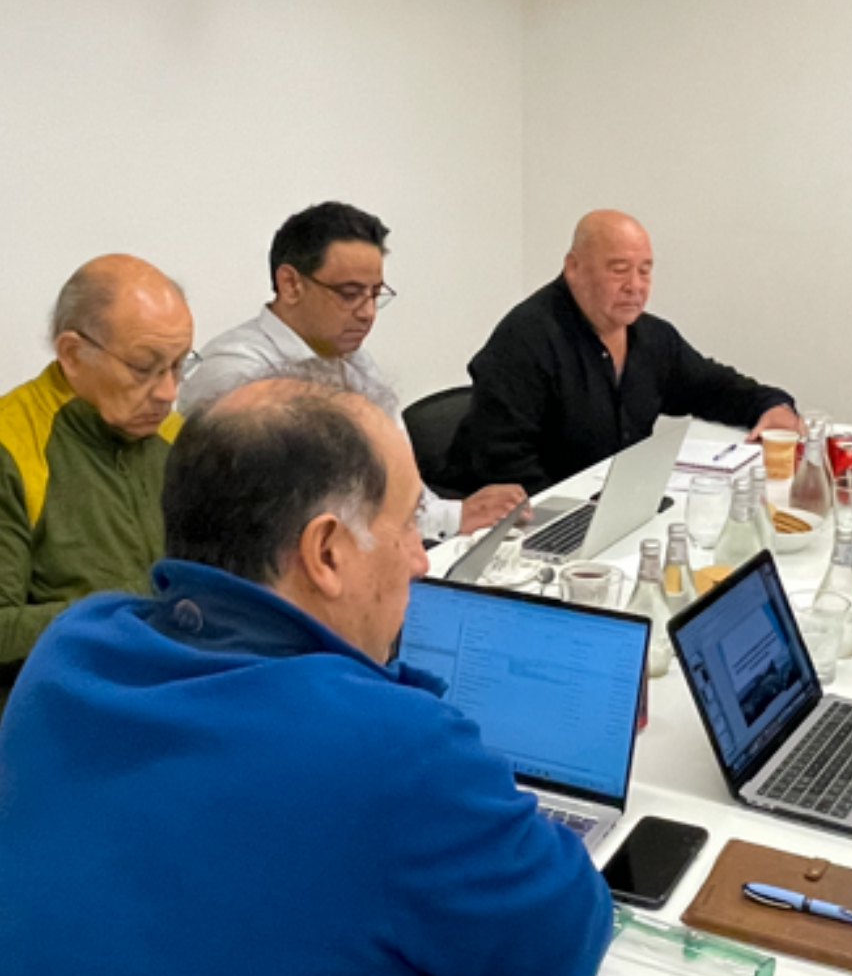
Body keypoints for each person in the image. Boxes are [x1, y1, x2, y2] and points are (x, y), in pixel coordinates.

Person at [0, 375, 621, 976]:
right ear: (326, 552)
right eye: (409, 524)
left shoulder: (68, 655)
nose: (418, 560)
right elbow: (562, 947)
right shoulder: (392, 750)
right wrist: (404, 704)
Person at [181, 200, 524, 536]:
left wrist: (456, 514)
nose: (367, 313)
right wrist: (445, 521)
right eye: (349, 294)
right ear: (290, 284)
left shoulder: (354, 361)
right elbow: (297, 520)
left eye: (375, 294)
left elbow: (401, 484)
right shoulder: (235, 376)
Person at [439, 209, 802, 494]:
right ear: (574, 268)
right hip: (524, 527)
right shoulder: (525, 339)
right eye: (619, 271)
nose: (635, 287)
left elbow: (714, 388)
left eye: (645, 272)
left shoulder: (651, 337)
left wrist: (772, 405)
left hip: (614, 507)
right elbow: (506, 470)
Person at [0, 253, 194, 712]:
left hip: (176, 692)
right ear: (72, 353)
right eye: (144, 367)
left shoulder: (178, 438)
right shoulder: (12, 446)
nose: (167, 392)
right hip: (60, 711)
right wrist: (133, 609)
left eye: (179, 365)